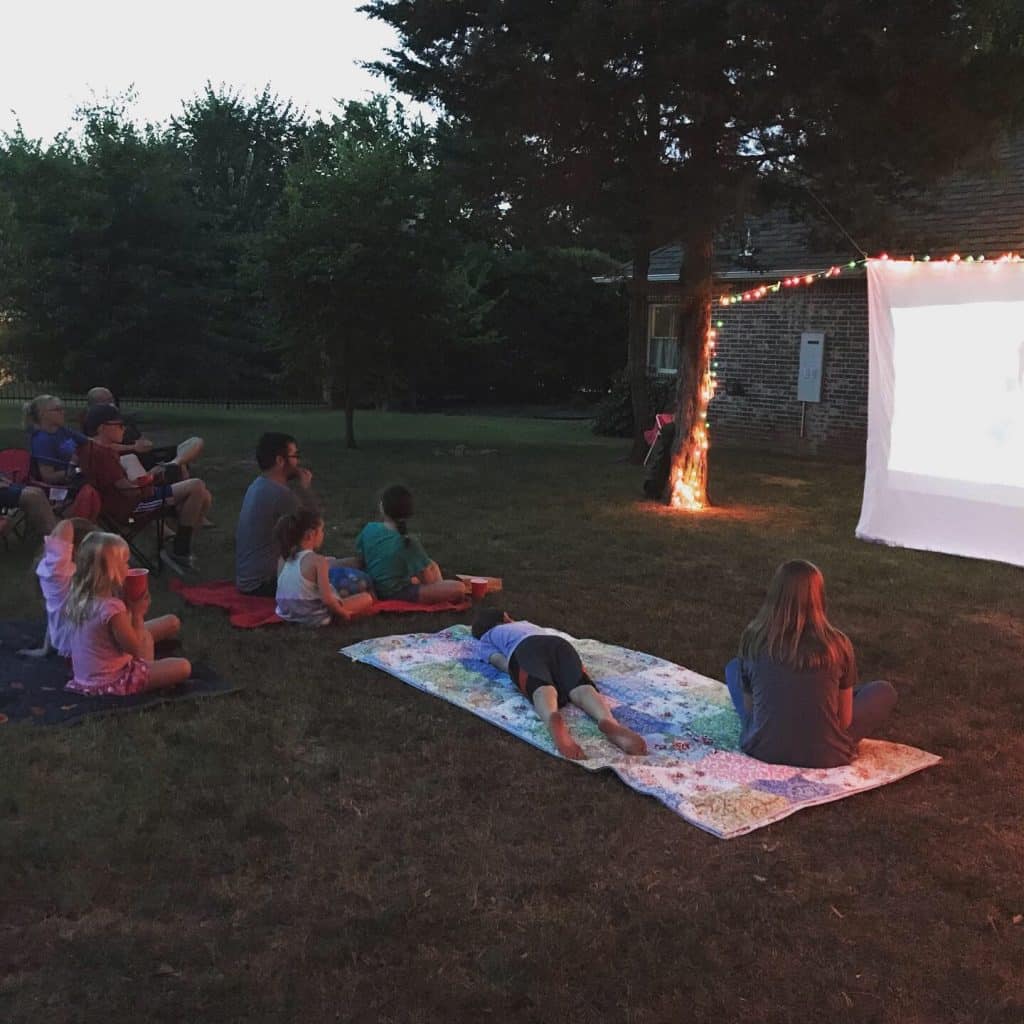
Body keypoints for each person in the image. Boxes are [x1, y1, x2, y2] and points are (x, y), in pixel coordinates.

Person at [724, 559, 898, 768]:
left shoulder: (754, 639)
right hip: (826, 754)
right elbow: (844, 721)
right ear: (819, 597)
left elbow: (752, 709)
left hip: (762, 748)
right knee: (882, 691)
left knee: (734, 667)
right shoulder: (837, 645)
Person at [472, 609, 648, 761]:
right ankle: (607, 720)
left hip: (524, 649)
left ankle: (551, 718)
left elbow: (500, 662)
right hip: (559, 645)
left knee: (541, 687)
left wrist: (514, 671)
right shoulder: (527, 624)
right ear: (506, 617)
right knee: (581, 686)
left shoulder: (486, 639)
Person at [77, 404, 212, 576]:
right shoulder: (104, 455)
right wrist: (154, 477)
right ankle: (180, 550)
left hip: (118, 505)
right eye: (119, 425)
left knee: (194, 489)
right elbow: (131, 492)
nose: (123, 429)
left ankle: (176, 541)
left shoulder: (88, 448)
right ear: (102, 428)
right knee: (196, 486)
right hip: (133, 508)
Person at [63, 531, 190, 696]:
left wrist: (128, 605)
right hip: (113, 681)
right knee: (183, 666)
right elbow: (135, 649)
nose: (128, 567)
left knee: (171, 622)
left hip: (86, 678)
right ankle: (148, 679)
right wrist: (137, 614)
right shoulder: (111, 608)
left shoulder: (81, 597)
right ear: (111, 570)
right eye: (125, 563)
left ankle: (152, 667)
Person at [353, 484, 465, 605]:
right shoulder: (408, 542)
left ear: (382, 507)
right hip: (396, 594)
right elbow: (428, 581)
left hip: (374, 586)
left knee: (431, 564)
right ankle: (440, 596)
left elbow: (361, 560)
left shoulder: (369, 529)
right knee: (459, 588)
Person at [235, 433, 313, 596]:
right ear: (280, 460)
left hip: (247, 578)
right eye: (295, 456)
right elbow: (313, 532)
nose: (298, 462)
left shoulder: (258, 485)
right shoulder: (280, 494)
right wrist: (305, 489)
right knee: (327, 571)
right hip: (264, 583)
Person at [274, 506, 374, 625]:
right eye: (321, 530)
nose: (323, 534)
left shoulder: (283, 558)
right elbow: (327, 600)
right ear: (310, 535)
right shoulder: (318, 561)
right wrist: (342, 613)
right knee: (366, 598)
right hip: (314, 616)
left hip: (288, 614)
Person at [84, 387, 204, 480]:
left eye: (111, 400)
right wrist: (133, 447)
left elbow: (140, 440)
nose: (112, 404)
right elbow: (99, 446)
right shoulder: (95, 426)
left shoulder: (120, 420)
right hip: (131, 463)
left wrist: (145, 443)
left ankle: (172, 465)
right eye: (107, 402)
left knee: (194, 442)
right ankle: (168, 474)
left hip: (147, 456)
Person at [18, 517, 96, 658]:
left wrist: (45, 648)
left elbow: (54, 612)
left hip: (79, 644)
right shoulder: (61, 577)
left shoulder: (60, 579)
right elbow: (64, 528)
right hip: (85, 649)